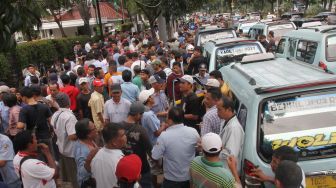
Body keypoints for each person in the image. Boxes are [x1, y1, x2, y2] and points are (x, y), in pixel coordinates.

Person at [152, 107, 200, 188]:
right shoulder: (193, 131)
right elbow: (198, 148)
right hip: (190, 177)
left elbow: (155, 156)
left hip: (171, 179)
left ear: (170, 120)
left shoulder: (164, 136)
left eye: (167, 116)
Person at [50, 93, 78, 188]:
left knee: (68, 175)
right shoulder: (69, 117)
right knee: (75, 176)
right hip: (71, 151)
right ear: (68, 101)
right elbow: (72, 136)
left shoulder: (55, 115)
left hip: (62, 149)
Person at [123, 102, 153, 188]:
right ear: (137, 114)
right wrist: (158, 164)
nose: (142, 116)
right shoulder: (141, 130)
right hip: (141, 168)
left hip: (125, 168)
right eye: (142, 114)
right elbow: (150, 150)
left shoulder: (118, 126)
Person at [88, 123, 126, 188]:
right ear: (114, 142)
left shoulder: (96, 156)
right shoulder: (120, 160)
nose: (125, 137)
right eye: (123, 135)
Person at [217, 96, 244, 169]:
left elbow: (231, 155)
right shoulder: (225, 122)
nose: (217, 112)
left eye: (219, 110)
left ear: (228, 109)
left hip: (229, 171)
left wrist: (214, 149)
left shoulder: (234, 128)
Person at [74, 119, 98, 187]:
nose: (96, 129)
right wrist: (90, 158)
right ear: (88, 134)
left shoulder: (88, 141)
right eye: (94, 128)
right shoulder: (82, 151)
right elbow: (82, 173)